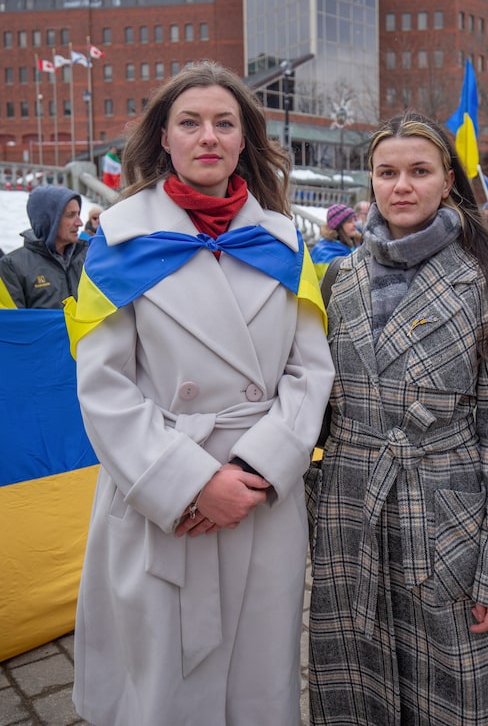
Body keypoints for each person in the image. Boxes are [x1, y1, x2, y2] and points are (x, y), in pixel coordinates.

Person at [67, 61, 334, 726]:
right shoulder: (119, 240)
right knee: (163, 681)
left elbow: (311, 372)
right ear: (164, 136)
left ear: (245, 141)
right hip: (161, 495)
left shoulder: (283, 241)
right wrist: (188, 482)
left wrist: (252, 471)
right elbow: (102, 386)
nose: (207, 136)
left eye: (224, 123)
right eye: (189, 122)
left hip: (259, 500)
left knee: (257, 683)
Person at [308, 111, 488, 725]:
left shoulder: (485, 278)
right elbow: (313, 406)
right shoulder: (337, 276)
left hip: (447, 517)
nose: (400, 185)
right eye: (387, 172)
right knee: (356, 683)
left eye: (418, 171)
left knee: (454, 690)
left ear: (447, 184)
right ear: (371, 182)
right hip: (350, 509)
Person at [0, 185, 87, 308]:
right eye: (71, 215)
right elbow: (14, 322)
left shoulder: (87, 257)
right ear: (49, 220)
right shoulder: (12, 266)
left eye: (78, 214)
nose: (79, 223)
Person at [310, 203, 361, 277]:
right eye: (350, 221)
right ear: (338, 226)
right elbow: (331, 281)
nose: (355, 224)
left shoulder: (354, 244)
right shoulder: (325, 251)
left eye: (354, 220)